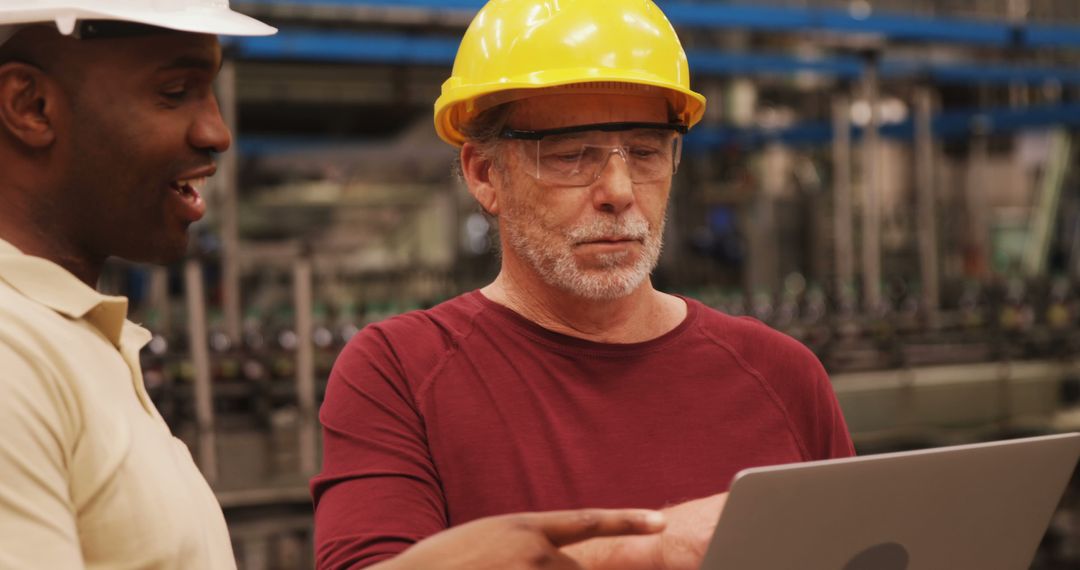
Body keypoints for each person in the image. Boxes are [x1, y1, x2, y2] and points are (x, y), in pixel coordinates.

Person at [0, 2, 665, 569]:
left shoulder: (77, 345)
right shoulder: (12, 356)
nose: (217, 131)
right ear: (30, 106)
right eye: (175, 93)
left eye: (647, 150)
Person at [312, 0, 856, 569]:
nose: (619, 190)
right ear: (483, 173)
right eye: (572, 155)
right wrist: (647, 548)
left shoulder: (782, 376)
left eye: (645, 152)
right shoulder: (398, 373)